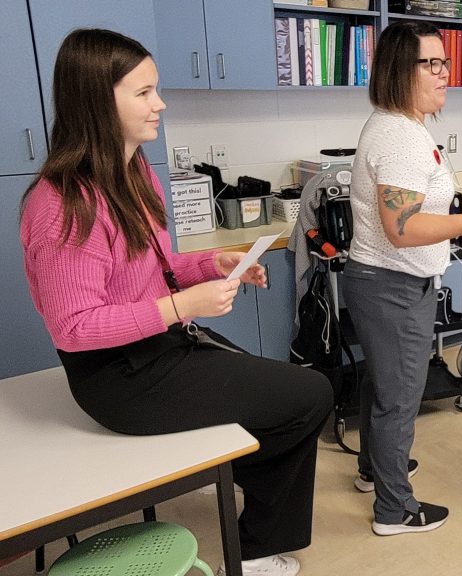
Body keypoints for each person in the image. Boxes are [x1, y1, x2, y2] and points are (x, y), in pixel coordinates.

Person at [19, 29, 332, 576]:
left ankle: (254, 515)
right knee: (308, 393)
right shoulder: (62, 203)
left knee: (290, 394)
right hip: (118, 376)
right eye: (143, 93)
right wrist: (183, 306)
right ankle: (256, 553)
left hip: (157, 345)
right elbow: (73, 326)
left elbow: (148, 269)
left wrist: (210, 265)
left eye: (156, 89)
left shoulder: (133, 171)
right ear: (97, 99)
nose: (159, 103)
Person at [342, 20, 462, 536]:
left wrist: (454, 229)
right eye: (431, 64)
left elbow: (411, 218)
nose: (444, 74)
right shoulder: (401, 137)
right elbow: (403, 228)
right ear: (399, 70)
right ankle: (395, 510)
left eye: (444, 62)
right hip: (391, 286)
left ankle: (374, 469)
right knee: (400, 397)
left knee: (382, 383)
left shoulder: (403, 126)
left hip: (381, 282)